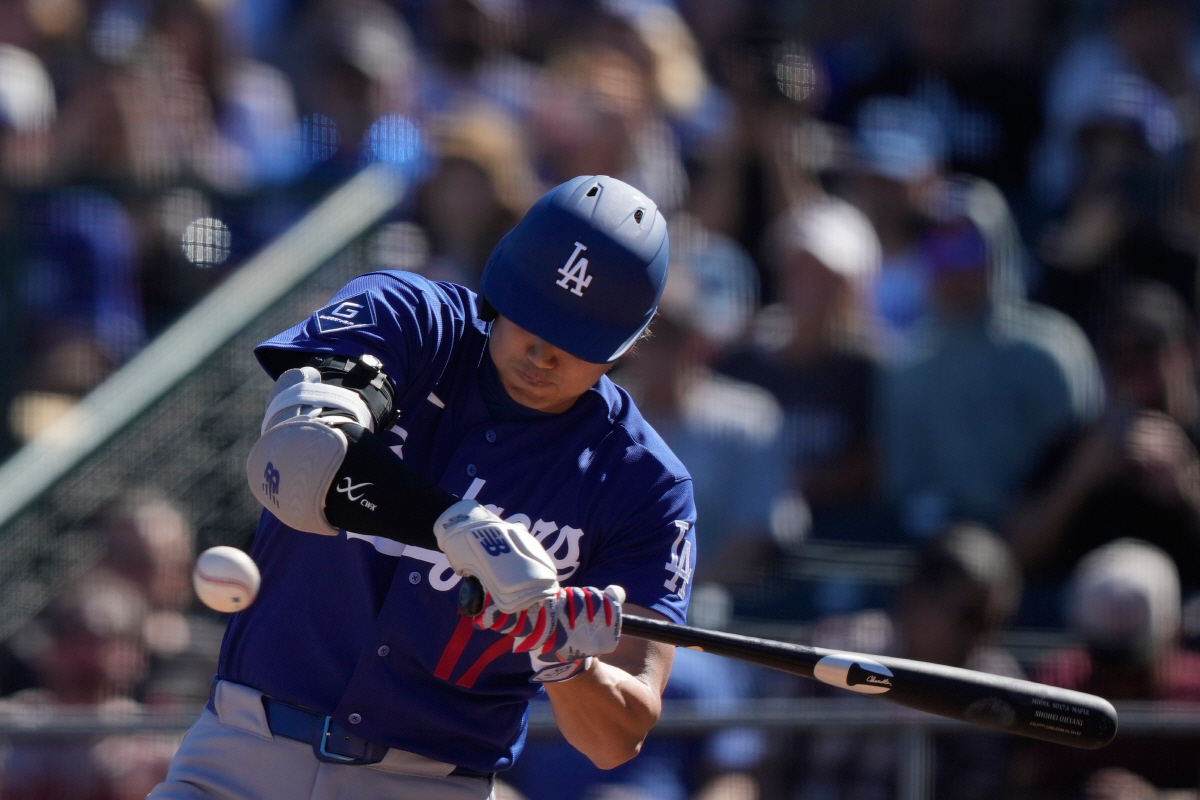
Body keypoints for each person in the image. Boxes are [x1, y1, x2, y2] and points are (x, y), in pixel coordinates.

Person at [149, 174, 697, 800]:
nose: (542, 352)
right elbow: (294, 462)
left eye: (575, 342)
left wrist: (565, 658)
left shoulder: (644, 484)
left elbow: (616, 737)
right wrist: (458, 527)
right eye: (531, 316)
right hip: (243, 754)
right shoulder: (410, 319)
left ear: (630, 343)